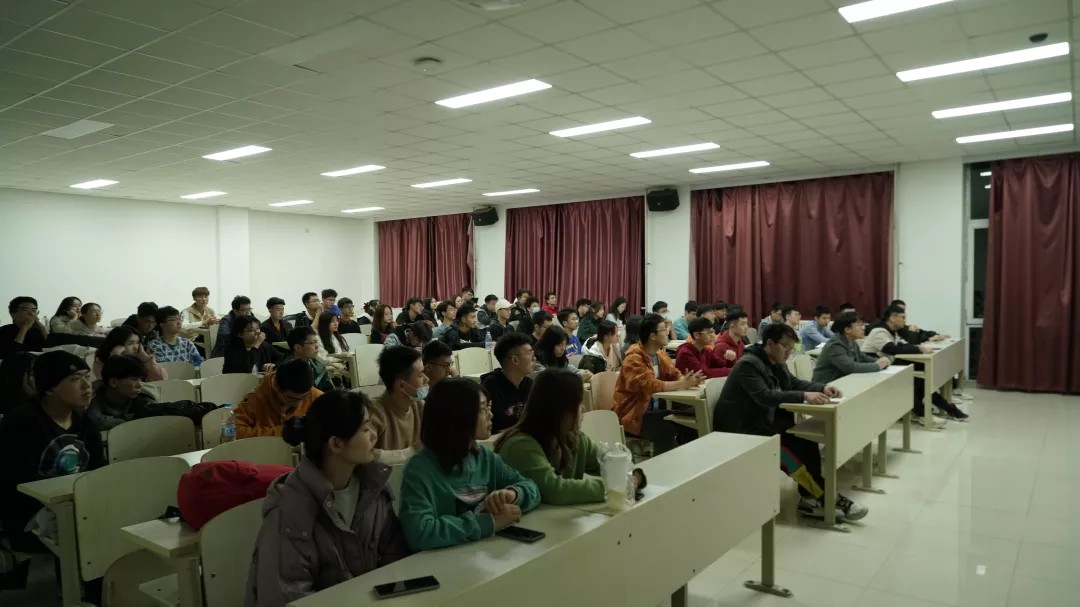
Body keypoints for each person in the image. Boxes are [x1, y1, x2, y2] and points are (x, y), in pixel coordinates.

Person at [247, 390, 410, 607]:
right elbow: (287, 595)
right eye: (365, 429)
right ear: (336, 444)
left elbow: (395, 557)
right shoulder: (289, 510)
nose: (374, 435)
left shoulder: (373, 486)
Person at [713, 323, 867, 521]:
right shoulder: (748, 364)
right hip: (741, 430)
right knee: (788, 457)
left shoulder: (776, 361)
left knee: (807, 441)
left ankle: (810, 499)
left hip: (763, 423)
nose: (788, 352)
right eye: (785, 347)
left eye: (791, 348)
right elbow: (765, 396)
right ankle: (829, 498)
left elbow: (792, 383)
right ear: (770, 343)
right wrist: (804, 396)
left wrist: (821, 388)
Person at [398, 378, 540, 551]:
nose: (491, 415)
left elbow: (532, 488)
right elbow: (420, 532)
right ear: (459, 417)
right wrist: (489, 523)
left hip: (484, 555)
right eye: (483, 409)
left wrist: (512, 494)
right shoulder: (419, 469)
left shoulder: (484, 457)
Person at [0, 351, 105, 554]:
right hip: (32, 516)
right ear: (49, 388)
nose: (87, 385)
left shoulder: (85, 422)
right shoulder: (20, 424)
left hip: (77, 504)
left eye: (87, 376)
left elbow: (98, 470)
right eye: (75, 379)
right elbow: (17, 488)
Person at [495, 369, 616, 505]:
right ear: (560, 409)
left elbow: (610, 462)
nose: (583, 409)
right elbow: (554, 491)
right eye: (577, 404)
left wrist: (630, 474)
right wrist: (616, 487)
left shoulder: (573, 438)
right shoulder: (520, 446)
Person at [612, 314, 705, 454]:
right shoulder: (633, 358)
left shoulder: (659, 354)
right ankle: (662, 464)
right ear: (652, 336)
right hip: (633, 414)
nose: (668, 332)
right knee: (667, 427)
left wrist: (688, 380)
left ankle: (691, 458)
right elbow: (651, 385)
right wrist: (683, 383)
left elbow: (674, 374)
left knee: (689, 420)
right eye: (664, 330)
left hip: (654, 411)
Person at [862, 305, 968, 422]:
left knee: (921, 371)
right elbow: (892, 349)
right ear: (892, 318)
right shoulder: (879, 331)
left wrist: (917, 347)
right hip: (874, 369)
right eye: (903, 317)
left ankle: (938, 408)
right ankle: (924, 412)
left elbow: (904, 345)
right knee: (910, 380)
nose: (905, 320)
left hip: (887, 366)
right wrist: (919, 349)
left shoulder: (893, 333)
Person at [234, 358, 322, 438]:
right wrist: (281, 432)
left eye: (304, 397)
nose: (298, 403)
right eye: (291, 398)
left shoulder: (314, 395)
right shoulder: (256, 399)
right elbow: (234, 432)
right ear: (276, 386)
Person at [370, 346, 428, 465]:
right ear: (401, 385)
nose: (427, 379)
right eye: (420, 375)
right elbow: (363, 455)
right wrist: (411, 451)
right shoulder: (373, 413)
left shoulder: (420, 406)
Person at [812, 312, 890, 384]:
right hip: (825, 387)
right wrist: (878, 365)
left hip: (841, 383)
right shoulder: (835, 345)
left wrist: (880, 361)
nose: (863, 328)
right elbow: (850, 367)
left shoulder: (851, 341)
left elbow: (863, 358)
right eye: (859, 325)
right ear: (847, 330)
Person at [481, 332, 535, 432]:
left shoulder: (530, 384)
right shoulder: (490, 389)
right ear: (515, 360)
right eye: (529, 353)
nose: (534, 358)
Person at [88, 355, 156, 430]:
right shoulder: (93, 400)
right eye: (134, 379)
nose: (139, 385)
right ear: (113, 382)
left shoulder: (141, 398)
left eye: (140, 379)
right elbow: (95, 421)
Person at [94, 325, 167, 381]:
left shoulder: (140, 359)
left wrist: (145, 357)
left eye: (137, 343)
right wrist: (115, 357)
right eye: (130, 343)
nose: (136, 347)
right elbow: (113, 385)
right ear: (117, 345)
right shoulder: (101, 362)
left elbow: (161, 379)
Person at [284, 327, 334, 392]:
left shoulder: (319, 367)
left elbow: (330, 391)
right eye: (312, 343)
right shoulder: (284, 370)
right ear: (298, 347)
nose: (317, 346)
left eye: (316, 342)